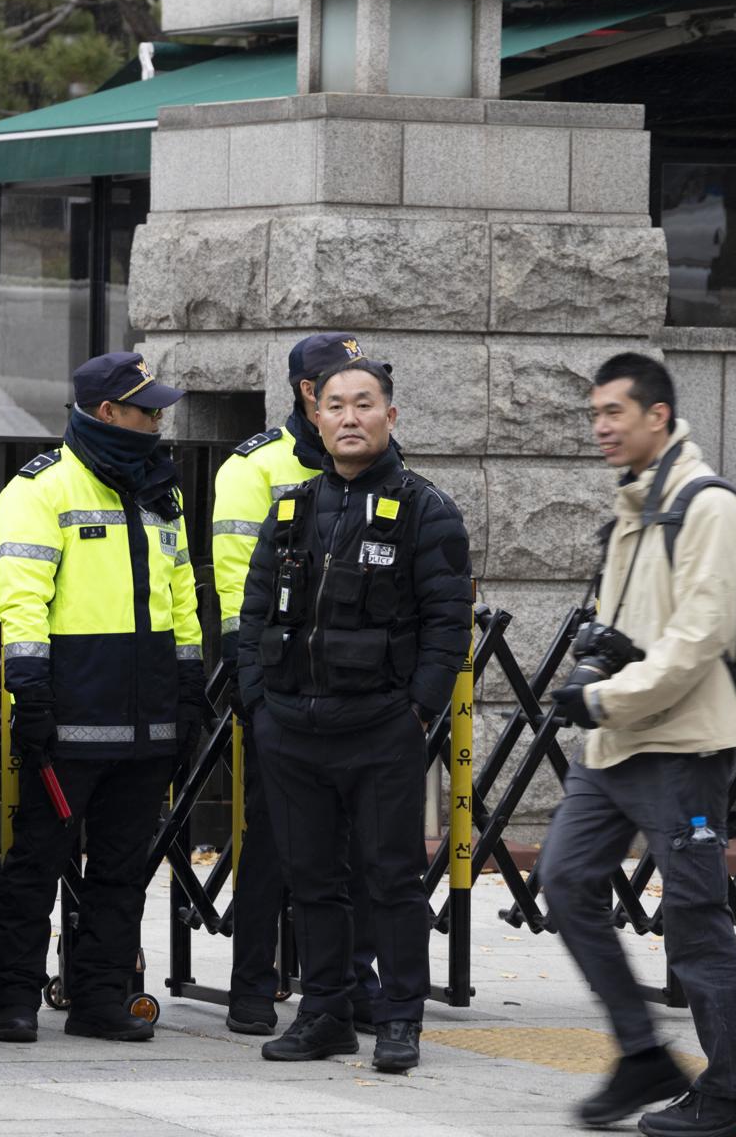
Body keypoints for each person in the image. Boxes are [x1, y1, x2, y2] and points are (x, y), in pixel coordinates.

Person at [539, 353, 736, 1136]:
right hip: (613, 750)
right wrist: (595, 664)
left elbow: (696, 640)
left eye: (614, 412)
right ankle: (643, 1053)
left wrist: (603, 696)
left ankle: (734, 1099)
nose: (600, 427)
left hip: (681, 750)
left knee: (694, 918)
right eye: (595, 413)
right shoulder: (633, 507)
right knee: (567, 881)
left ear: (659, 417)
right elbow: (625, 629)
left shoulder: (707, 507)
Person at [235, 358, 471, 1074]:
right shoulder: (291, 507)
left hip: (380, 731)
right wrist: (258, 703)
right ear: (315, 417)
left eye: (363, 404)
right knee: (312, 881)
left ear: (390, 417)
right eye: (334, 405)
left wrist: (417, 711)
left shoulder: (426, 509)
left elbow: (448, 623)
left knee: (391, 880)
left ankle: (400, 1019)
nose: (347, 418)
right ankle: (325, 1014)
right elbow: (252, 614)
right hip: (292, 730)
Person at [0, 352, 209, 1045]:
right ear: (107, 412)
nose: (159, 419)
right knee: (36, 862)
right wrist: (30, 697)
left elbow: (180, 599)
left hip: (145, 722)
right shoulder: (40, 489)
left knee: (121, 871)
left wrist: (190, 691)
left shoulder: (158, 491)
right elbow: (21, 601)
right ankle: (16, 999)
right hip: (72, 718)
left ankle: (99, 999)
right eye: (148, 409)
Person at [212, 333, 388, 1037]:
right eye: (331, 388)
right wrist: (251, 686)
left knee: (359, 842)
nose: (348, 404)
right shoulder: (256, 467)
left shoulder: (376, 461)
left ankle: (350, 981)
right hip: (282, 686)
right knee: (273, 841)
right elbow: (235, 585)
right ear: (306, 395)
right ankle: (253, 983)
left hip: (357, 687)